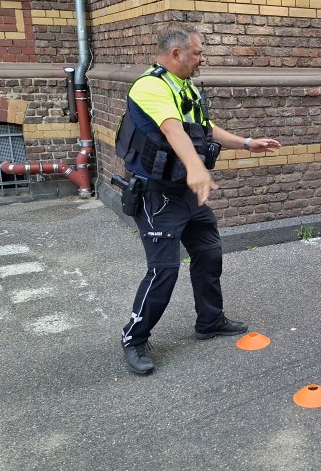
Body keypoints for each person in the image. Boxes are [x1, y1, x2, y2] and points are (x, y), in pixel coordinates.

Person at [115, 24, 281, 375]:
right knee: (164, 270)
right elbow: (171, 128)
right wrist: (195, 167)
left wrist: (247, 143)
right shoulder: (150, 86)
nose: (202, 59)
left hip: (188, 193)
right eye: (198, 53)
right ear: (176, 54)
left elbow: (204, 129)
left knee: (208, 252)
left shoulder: (185, 86)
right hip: (158, 196)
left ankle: (210, 321)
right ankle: (134, 337)